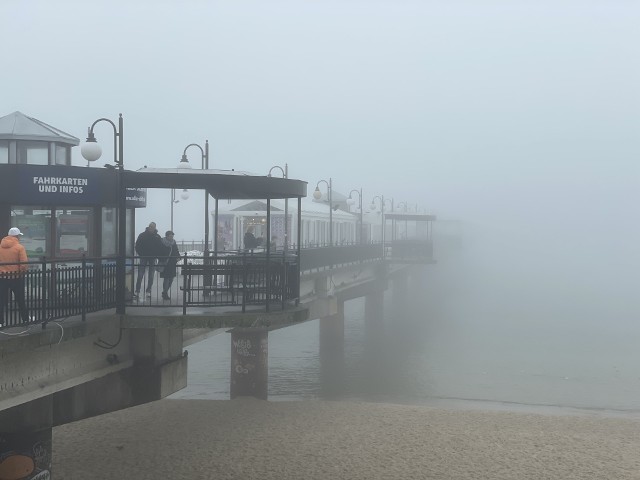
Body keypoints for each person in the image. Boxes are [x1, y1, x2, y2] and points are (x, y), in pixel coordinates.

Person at [0, 227, 29, 324]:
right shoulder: (19, 247)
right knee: (20, 299)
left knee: (1, 300)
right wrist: (20, 273)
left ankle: (0, 321)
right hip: (16, 277)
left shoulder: (0, 246)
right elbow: (24, 263)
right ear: (16, 236)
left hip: (3, 277)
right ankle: (25, 319)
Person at [134, 222, 164, 298]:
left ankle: (148, 291)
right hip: (144, 257)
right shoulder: (142, 235)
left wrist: (157, 255)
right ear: (148, 226)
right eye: (150, 226)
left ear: (155, 228)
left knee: (151, 275)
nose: (151, 228)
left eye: (153, 227)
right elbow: (137, 246)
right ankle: (137, 291)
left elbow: (160, 247)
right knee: (140, 275)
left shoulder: (157, 236)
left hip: (152, 258)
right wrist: (141, 254)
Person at [159, 230, 181, 300]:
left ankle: (165, 292)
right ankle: (165, 293)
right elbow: (160, 251)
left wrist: (178, 257)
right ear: (167, 236)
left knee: (171, 279)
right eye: (170, 236)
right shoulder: (162, 242)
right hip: (165, 262)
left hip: (172, 263)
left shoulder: (173, 242)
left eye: (172, 236)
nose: (172, 237)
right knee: (166, 279)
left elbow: (176, 250)